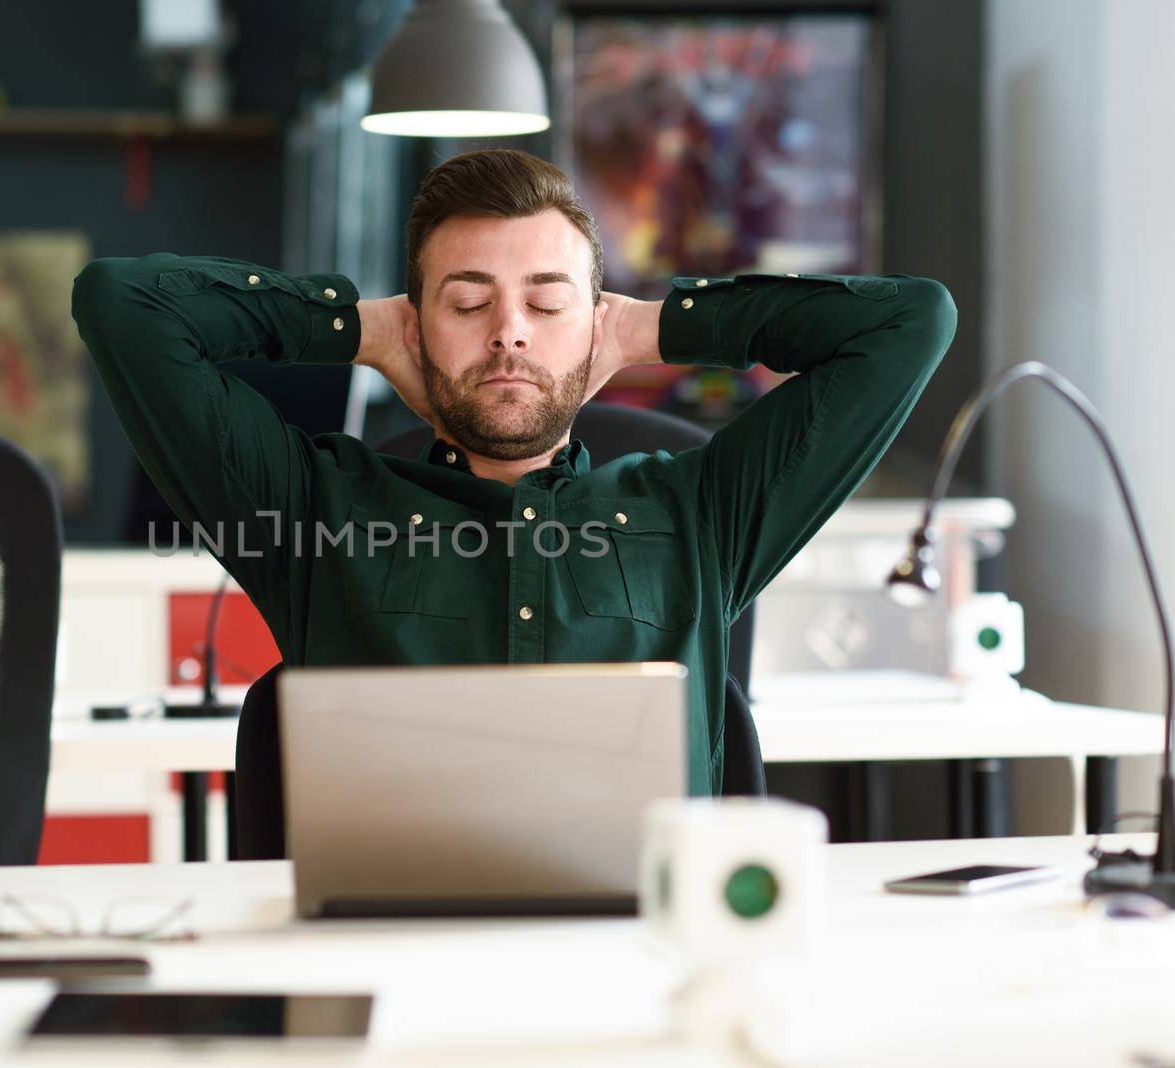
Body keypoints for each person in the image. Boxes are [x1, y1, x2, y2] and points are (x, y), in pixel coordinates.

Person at [72, 148, 956, 797]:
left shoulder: (701, 511)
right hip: (386, 971)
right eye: (466, 302)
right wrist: (365, 330)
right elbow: (124, 303)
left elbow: (910, 323)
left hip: (640, 961)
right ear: (422, 322)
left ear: (593, 317)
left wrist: (653, 330)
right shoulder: (313, 509)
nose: (509, 332)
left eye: (545, 301)